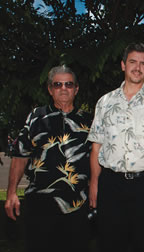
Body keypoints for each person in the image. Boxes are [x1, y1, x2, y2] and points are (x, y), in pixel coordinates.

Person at [87, 43, 144, 252]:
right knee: (109, 244)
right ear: (123, 65)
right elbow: (96, 147)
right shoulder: (105, 102)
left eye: (143, 63)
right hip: (110, 185)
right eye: (133, 62)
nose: (138, 67)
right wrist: (94, 183)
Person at [4, 65, 92, 252]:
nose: (63, 88)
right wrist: (11, 192)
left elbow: (97, 161)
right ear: (50, 89)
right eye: (57, 84)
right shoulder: (36, 117)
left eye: (69, 84)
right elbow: (20, 155)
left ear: (76, 89)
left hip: (77, 205)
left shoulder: (89, 121)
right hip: (40, 205)